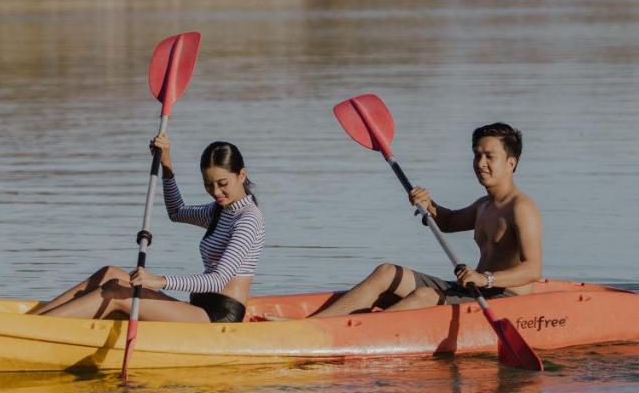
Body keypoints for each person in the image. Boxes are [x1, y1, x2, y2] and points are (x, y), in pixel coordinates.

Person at [316, 123, 541, 316]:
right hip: (474, 290)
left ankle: (351, 334)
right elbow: (450, 222)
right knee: (386, 272)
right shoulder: (484, 204)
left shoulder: (522, 208)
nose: (480, 163)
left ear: (511, 163)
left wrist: (485, 279)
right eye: (477, 155)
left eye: (489, 156)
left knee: (424, 296)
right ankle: (315, 325)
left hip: (505, 300)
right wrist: (429, 205)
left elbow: (533, 270)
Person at [35, 137, 265, 323]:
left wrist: (159, 281)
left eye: (222, 183)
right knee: (109, 274)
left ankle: (37, 331)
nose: (215, 192)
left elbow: (217, 280)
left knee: (116, 293)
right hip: (198, 306)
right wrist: (167, 167)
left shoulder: (248, 219)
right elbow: (177, 212)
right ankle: (31, 322)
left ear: (241, 175)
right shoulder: (218, 210)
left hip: (218, 317)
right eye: (208, 184)